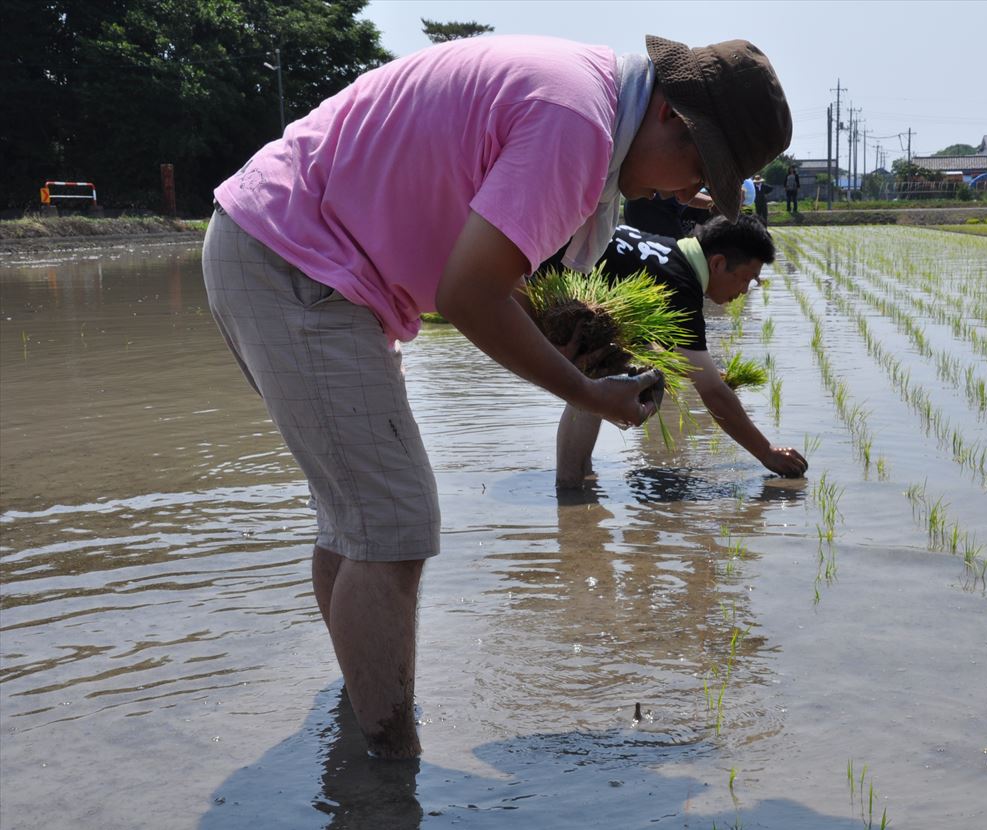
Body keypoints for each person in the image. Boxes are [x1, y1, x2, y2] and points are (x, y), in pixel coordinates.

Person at [201, 33, 792, 759]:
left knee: (358, 521)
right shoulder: (577, 123)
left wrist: (556, 341)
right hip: (296, 260)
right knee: (394, 523)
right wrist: (584, 390)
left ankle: (361, 726)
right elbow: (469, 294)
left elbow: (490, 274)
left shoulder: (585, 101)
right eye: (698, 167)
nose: (680, 193)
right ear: (669, 112)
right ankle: (389, 771)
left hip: (288, 250)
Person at [556, 214, 808, 488]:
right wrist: (765, 452)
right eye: (746, 278)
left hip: (546, 255)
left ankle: (577, 488)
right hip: (530, 276)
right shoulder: (680, 285)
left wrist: (695, 370)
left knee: (600, 370)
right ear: (718, 263)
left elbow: (656, 347)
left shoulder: (670, 253)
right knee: (599, 374)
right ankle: (571, 488)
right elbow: (714, 394)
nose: (744, 291)